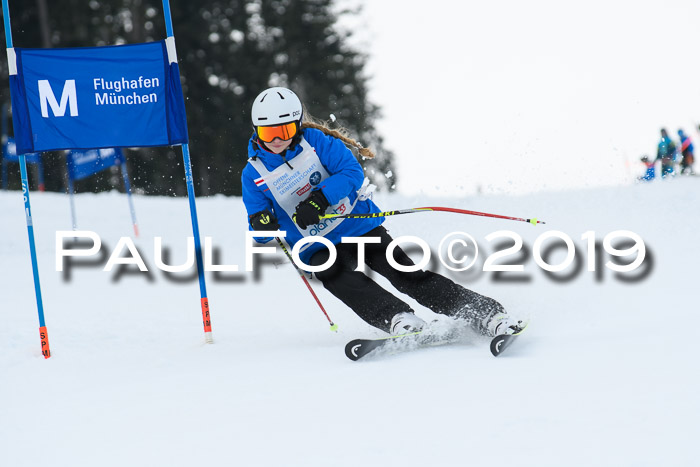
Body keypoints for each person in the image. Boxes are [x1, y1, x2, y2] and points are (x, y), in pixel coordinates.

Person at [241, 86, 522, 338]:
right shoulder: (253, 173)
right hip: (316, 244)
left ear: (297, 126)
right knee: (335, 275)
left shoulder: (316, 142)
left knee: (406, 274)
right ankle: (398, 318)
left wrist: (319, 199)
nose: (277, 140)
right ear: (256, 130)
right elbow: (262, 233)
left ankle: (484, 313)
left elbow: (350, 171)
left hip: (357, 224)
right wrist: (262, 225)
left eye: (285, 131)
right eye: (268, 133)